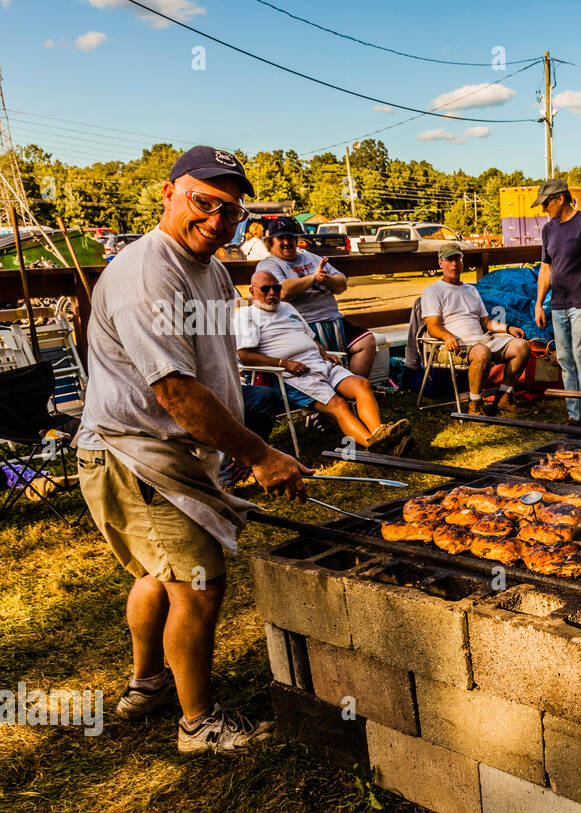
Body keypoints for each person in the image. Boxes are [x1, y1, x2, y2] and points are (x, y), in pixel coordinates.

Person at [76, 145, 310, 754]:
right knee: (199, 583)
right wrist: (261, 453)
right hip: (138, 456)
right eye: (203, 202)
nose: (217, 220)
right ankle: (198, 724)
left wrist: (229, 439)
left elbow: (209, 367)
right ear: (168, 193)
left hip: (173, 451)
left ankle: (149, 683)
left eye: (231, 211)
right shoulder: (146, 273)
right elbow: (175, 391)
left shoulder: (207, 267)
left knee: (161, 573)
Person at [235, 270, 411, 454]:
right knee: (338, 405)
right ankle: (377, 445)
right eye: (265, 289)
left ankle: (379, 433)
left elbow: (310, 336)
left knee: (362, 384)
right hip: (290, 375)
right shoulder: (246, 316)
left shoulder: (287, 308)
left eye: (276, 288)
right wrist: (285, 364)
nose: (272, 293)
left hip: (318, 363)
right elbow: (246, 356)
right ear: (252, 290)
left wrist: (323, 352)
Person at [255, 216, 377, 380]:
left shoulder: (311, 257)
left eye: (291, 237)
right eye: (281, 238)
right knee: (320, 360)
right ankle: (340, 392)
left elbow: (342, 284)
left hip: (334, 319)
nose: (287, 242)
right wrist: (313, 278)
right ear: (270, 242)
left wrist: (326, 279)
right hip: (302, 326)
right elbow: (282, 292)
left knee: (366, 342)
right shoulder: (269, 265)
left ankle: (354, 389)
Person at [421, 245, 531, 417]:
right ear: (440, 263)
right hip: (450, 347)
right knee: (482, 352)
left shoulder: (470, 290)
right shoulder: (433, 291)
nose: (454, 264)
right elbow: (432, 326)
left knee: (522, 346)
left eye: (458, 259)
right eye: (449, 260)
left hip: (481, 341)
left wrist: (507, 328)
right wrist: (447, 336)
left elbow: (486, 322)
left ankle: (503, 395)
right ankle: (475, 405)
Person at [533, 178, 581, 427]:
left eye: (546, 203)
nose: (544, 209)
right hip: (558, 304)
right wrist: (538, 303)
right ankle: (574, 414)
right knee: (564, 358)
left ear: (560, 198)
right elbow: (546, 268)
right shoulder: (548, 230)